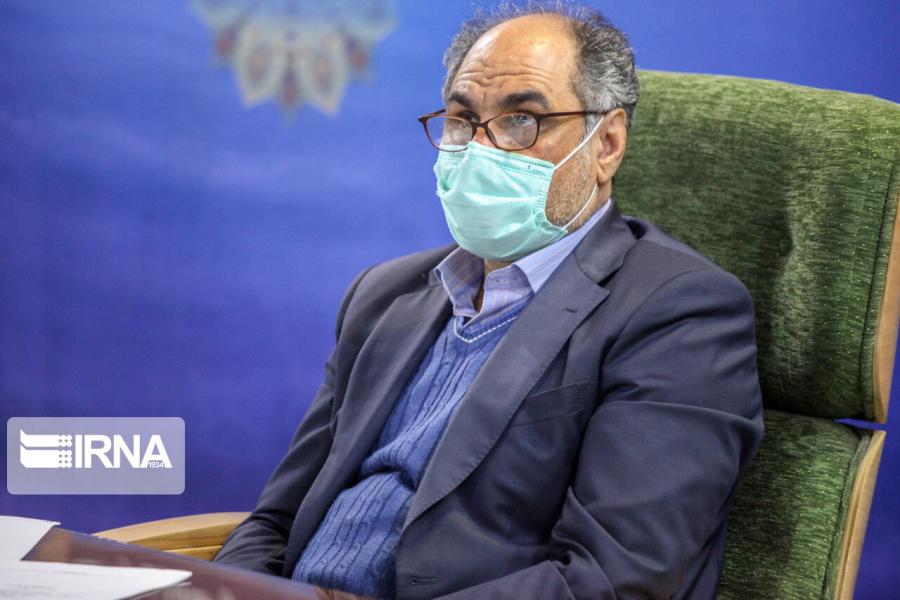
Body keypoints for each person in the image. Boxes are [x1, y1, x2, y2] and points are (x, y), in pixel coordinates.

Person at [213, 4, 764, 599]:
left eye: (521, 120)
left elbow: (612, 580)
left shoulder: (679, 311)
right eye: (462, 120)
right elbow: (275, 523)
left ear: (606, 145)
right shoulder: (383, 295)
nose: (480, 148)